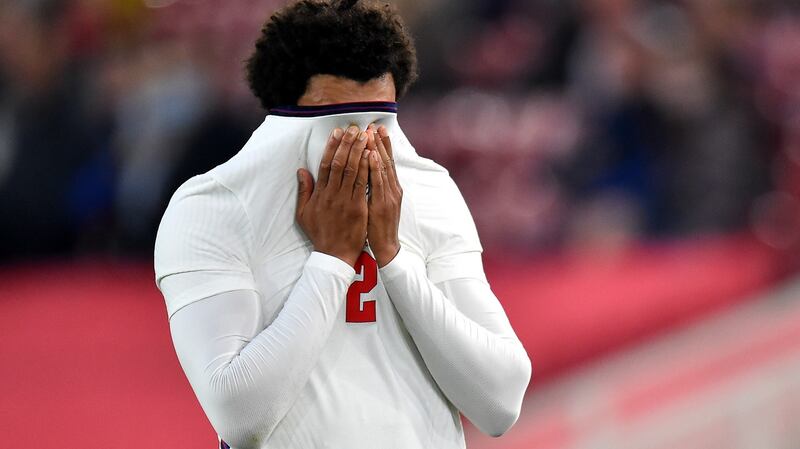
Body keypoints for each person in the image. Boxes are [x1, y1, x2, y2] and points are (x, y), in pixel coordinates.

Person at [154, 1, 531, 448]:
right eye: (339, 123)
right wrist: (331, 261)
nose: (363, 144)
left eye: (378, 121)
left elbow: (501, 401)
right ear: (286, 110)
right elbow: (240, 418)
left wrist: (393, 259)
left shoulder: (429, 190)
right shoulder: (212, 206)